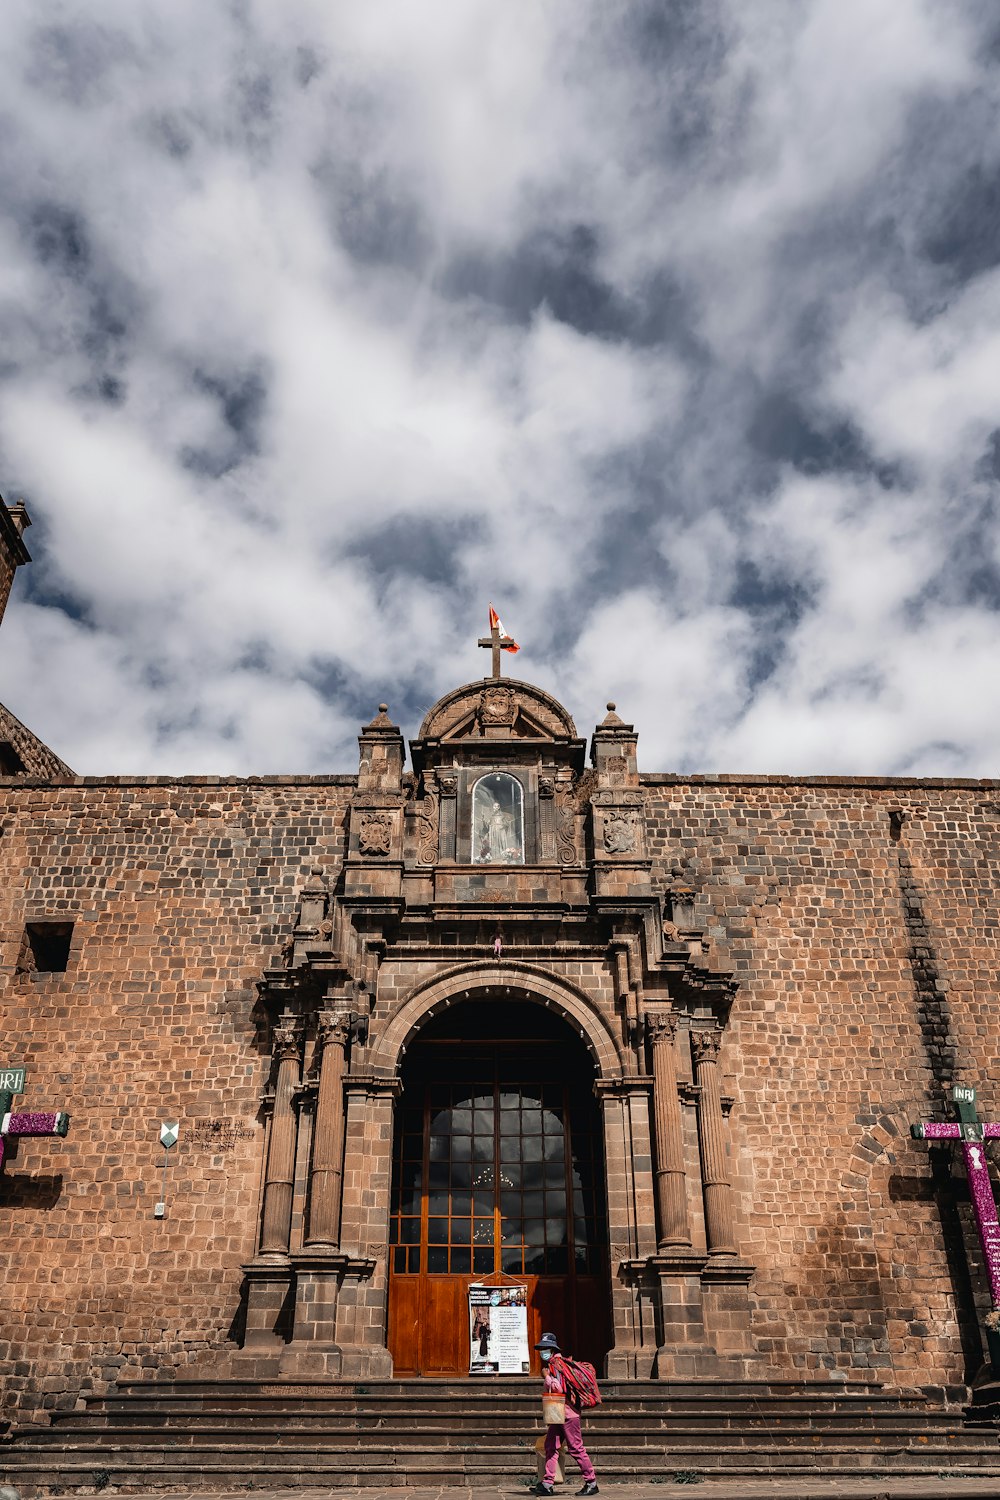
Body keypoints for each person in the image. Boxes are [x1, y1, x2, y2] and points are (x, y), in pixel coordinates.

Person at [534, 1331, 599, 1496]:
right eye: (542, 1348)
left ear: (553, 1349)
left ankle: (591, 1482)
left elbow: (558, 1388)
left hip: (568, 1414)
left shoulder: (557, 1365)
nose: (543, 1351)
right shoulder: (555, 1364)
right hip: (559, 1413)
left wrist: (546, 1377)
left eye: (545, 1348)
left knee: (576, 1448)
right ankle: (547, 1483)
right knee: (550, 1445)